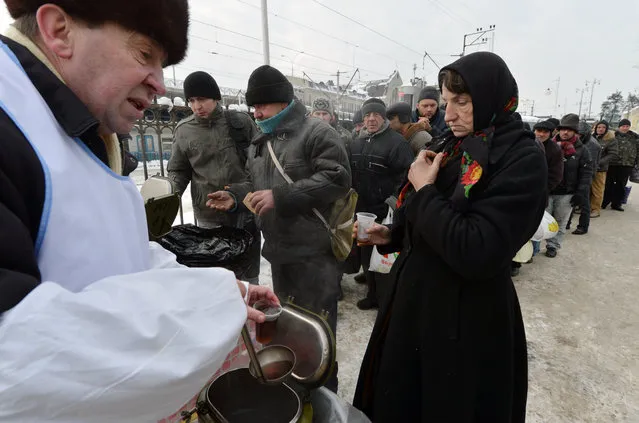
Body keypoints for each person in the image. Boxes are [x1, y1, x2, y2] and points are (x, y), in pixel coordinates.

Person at [0, 2, 279, 422]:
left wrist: (220, 287)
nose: (161, 86)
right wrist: (205, 307)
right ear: (60, 31)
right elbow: (14, 362)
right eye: (144, 53)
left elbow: (118, 255)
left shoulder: (78, 128)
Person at [352, 52, 547, 422]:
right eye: (446, 102)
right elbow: (434, 217)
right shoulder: (452, 144)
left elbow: (476, 249)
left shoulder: (521, 158)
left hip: (465, 321)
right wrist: (392, 234)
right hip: (415, 303)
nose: (450, 114)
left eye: (463, 102)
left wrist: (423, 190)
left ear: (491, 97)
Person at [207, 65, 351, 392]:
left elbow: (338, 179)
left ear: (284, 101)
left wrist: (281, 196)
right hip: (280, 252)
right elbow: (254, 183)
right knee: (290, 323)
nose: (256, 112)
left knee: (319, 327)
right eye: (253, 106)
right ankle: (300, 382)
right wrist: (234, 195)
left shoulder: (317, 132)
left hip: (315, 253)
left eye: (262, 105)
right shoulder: (260, 141)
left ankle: (326, 390)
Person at [168, 71, 261, 283]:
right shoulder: (184, 131)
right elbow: (178, 171)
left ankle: (251, 308)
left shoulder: (240, 122)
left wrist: (242, 194)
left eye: (202, 99)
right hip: (209, 215)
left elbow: (259, 163)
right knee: (216, 276)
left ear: (215, 98)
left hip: (245, 210)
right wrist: (169, 195)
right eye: (191, 100)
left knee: (248, 275)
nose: (196, 106)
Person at [349, 98, 414, 310]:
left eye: (376, 115)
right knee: (364, 247)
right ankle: (369, 278)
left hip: (383, 207)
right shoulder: (358, 141)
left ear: (383, 117)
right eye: (367, 115)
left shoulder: (396, 143)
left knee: (380, 250)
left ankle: (377, 296)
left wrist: (394, 201)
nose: (371, 119)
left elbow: (407, 176)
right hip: (361, 205)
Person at [545, 114, 592, 257]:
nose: (565, 132)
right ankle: (535, 245)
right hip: (547, 190)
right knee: (542, 219)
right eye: (563, 129)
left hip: (567, 193)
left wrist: (581, 192)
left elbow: (587, 173)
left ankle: (552, 245)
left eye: (569, 130)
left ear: (575, 132)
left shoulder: (582, 150)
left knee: (560, 221)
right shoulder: (548, 146)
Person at [567, 121, 602, 235]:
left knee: (584, 201)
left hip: (585, 175)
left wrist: (584, 182)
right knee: (571, 199)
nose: (577, 136)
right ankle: (567, 222)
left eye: (580, 135)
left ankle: (583, 226)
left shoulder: (592, 145)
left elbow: (589, 165)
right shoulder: (575, 141)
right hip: (574, 174)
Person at [602, 119, 639, 211]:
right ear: (619, 127)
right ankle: (604, 201)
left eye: (627, 126)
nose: (625, 128)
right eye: (623, 126)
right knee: (608, 184)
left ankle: (616, 204)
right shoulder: (612, 135)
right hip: (612, 163)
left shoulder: (635, 137)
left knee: (621, 185)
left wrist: (636, 162)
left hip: (627, 164)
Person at [591, 120, 619, 217]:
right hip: (588, 168)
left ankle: (595, 209)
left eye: (603, 127)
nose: (600, 129)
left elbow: (613, 154)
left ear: (606, 129)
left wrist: (599, 162)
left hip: (600, 169)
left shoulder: (611, 140)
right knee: (588, 189)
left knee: (597, 190)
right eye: (599, 127)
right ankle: (586, 207)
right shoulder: (591, 138)